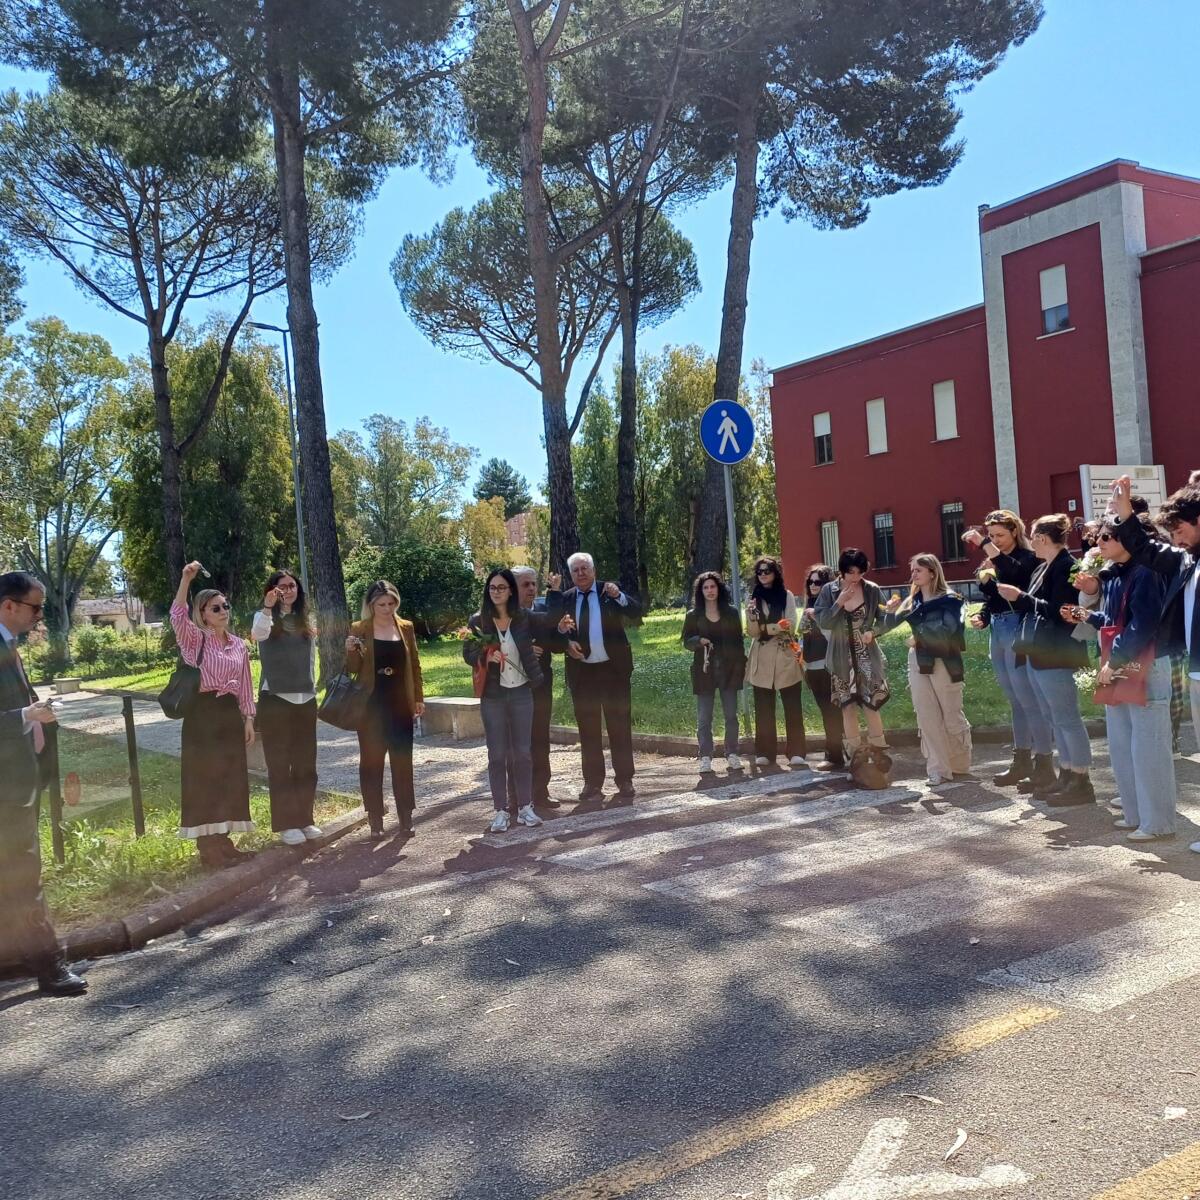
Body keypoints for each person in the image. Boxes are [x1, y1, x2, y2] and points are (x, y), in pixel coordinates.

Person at [1061, 516, 1174, 841]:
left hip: (1144, 665)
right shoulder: (1115, 575)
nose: (1099, 543)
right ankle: (1136, 814)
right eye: (1099, 537)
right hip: (1119, 663)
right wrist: (1084, 615)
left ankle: (1159, 822)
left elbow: (1143, 624)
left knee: (1148, 746)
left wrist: (1116, 660)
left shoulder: (1147, 572)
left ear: (1128, 539)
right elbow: (1112, 620)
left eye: (1107, 537)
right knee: (1123, 745)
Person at [0, 572, 86, 996]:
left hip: (19, 779)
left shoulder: (9, 646)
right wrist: (26, 717)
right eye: (35, 607)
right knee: (22, 874)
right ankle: (49, 966)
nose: (40, 617)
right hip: (6, 787)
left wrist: (33, 713)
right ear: (8, 605)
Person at [1110, 475, 1200, 853]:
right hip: (1196, 669)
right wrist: (1125, 511)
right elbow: (1145, 549)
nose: (1174, 537)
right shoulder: (1184, 559)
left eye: (1178, 528)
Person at [996, 514, 1093, 805]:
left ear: (1041, 538)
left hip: (1058, 652)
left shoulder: (1066, 566)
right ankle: (1066, 774)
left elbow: (1062, 611)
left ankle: (1081, 780)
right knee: (1053, 716)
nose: (1030, 541)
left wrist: (1021, 597)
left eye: (1034, 535)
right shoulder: (1045, 567)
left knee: (1066, 717)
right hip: (1040, 651)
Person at [170, 561, 257, 866]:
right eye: (215, 608)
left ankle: (224, 841)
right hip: (202, 715)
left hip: (229, 714)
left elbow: (246, 684)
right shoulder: (195, 640)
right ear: (203, 614)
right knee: (205, 778)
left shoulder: (238, 645)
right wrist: (186, 579)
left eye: (225, 606)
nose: (223, 611)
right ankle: (208, 848)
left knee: (229, 777)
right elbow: (177, 616)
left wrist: (248, 719)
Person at [963, 512, 1045, 789]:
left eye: (1000, 535)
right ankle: (1021, 758)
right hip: (998, 628)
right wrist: (984, 616)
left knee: (1027, 697)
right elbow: (993, 597)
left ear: (1014, 532)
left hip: (1017, 627)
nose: (995, 541)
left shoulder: (1027, 557)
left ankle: (1041, 763)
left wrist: (986, 545)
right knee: (1014, 699)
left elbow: (1014, 575)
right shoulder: (994, 558)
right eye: (992, 535)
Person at [464, 568, 547, 832]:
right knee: (497, 754)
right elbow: (468, 653)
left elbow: (548, 622)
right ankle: (500, 810)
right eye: (492, 588)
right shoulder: (479, 621)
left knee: (523, 753)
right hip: (493, 695)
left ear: (511, 590)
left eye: (501, 587)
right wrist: (485, 657)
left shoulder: (522, 617)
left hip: (522, 692)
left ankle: (525, 807)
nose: (497, 592)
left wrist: (563, 623)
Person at [558, 552, 642, 801]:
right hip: (583, 673)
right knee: (588, 730)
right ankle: (592, 783)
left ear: (594, 570)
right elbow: (556, 631)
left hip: (613, 671)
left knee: (619, 727)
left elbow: (636, 612)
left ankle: (625, 780)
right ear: (571, 575)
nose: (581, 573)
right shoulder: (566, 599)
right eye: (576, 570)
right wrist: (564, 640)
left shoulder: (609, 591)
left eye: (585, 568)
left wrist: (620, 597)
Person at [345, 580, 425, 838]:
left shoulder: (406, 627)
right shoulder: (360, 628)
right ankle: (375, 818)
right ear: (371, 605)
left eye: (392, 604)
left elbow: (414, 664)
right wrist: (350, 652)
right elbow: (353, 669)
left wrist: (418, 698)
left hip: (400, 702)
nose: (387, 608)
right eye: (382, 604)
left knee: (402, 761)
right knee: (371, 762)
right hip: (370, 704)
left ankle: (405, 817)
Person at [884, 555, 972, 785]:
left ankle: (960, 764)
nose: (913, 575)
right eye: (912, 570)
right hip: (919, 660)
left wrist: (919, 637)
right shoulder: (912, 601)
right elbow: (886, 624)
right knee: (926, 715)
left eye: (918, 570)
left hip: (945, 660)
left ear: (932, 572)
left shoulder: (952, 600)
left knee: (951, 714)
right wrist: (889, 611)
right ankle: (938, 769)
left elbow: (949, 631)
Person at [251, 569, 321, 847]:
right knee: (280, 765)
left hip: (305, 699)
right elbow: (257, 635)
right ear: (272, 590)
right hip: (276, 700)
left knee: (306, 765)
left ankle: (305, 819)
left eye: (292, 585)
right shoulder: (263, 618)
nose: (288, 590)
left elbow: (312, 656)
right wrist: (268, 607)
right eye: (281, 587)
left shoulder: (307, 620)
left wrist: (313, 686)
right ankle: (286, 823)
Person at [815, 548, 892, 787]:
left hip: (867, 656)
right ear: (842, 571)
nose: (855, 577)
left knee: (871, 705)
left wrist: (874, 631)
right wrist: (839, 602)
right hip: (840, 657)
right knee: (847, 708)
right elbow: (823, 621)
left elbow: (887, 617)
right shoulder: (829, 590)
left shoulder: (872, 590)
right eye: (850, 572)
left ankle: (879, 760)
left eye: (859, 572)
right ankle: (856, 763)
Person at [506, 567, 565, 812]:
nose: (531, 589)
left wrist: (561, 632)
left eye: (533, 584)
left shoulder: (543, 612)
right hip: (513, 686)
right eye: (525, 585)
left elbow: (557, 646)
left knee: (540, 740)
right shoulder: (503, 615)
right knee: (517, 743)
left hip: (541, 685)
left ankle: (541, 791)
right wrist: (524, 650)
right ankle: (516, 797)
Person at [682, 572, 747, 773]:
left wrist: (740, 668)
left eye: (713, 587)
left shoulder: (732, 613)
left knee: (730, 715)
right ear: (700, 591)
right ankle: (705, 757)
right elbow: (686, 641)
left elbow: (738, 643)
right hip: (704, 671)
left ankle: (733, 754)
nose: (710, 591)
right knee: (704, 717)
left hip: (729, 670)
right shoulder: (693, 615)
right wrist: (698, 641)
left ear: (719, 589)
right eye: (705, 588)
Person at [745, 556, 806, 767]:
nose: (763, 575)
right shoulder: (753, 599)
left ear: (775, 573)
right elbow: (751, 632)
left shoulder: (786, 595)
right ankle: (764, 752)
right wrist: (753, 619)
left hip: (785, 656)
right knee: (763, 708)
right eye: (759, 572)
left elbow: (790, 625)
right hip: (761, 658)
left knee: (792, 706)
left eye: (767, 571)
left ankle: (797, 752)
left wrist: (766, 629)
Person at [799, 564, 845, 771]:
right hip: (811, 666)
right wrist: (798, 651)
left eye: (818, 582)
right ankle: (838, 752)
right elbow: (802, 633)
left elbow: (833, 634)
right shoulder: (808, 604)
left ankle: (835, 756)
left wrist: (816, 615)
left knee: (832, 711)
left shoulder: (830, 606)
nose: (813, 585)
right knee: (826, 711)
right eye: (810, 582)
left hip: (829, 665)